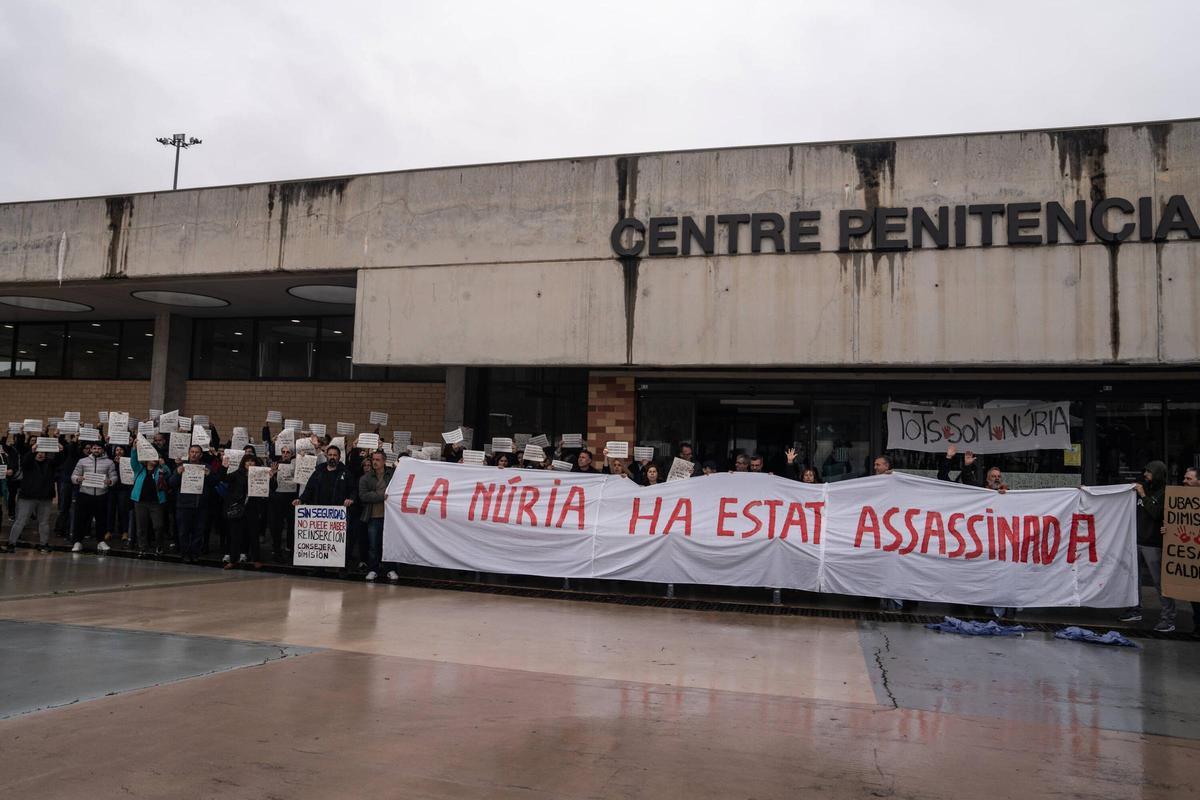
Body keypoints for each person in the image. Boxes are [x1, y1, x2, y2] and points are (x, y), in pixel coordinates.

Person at [1120, 461, 1174, 632]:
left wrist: (1143, 495)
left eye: (1149, 472)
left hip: (1153, 543)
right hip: (1137, 540)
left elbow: (1156, 513)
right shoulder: (1144, 488)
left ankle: (1168, 618)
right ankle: (1135, 609)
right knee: (1134, 579)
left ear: (1157, 473)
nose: (1145, 475)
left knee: (1160, 583)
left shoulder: (1165, 492)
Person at [4, 437, 62, 553]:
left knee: (44, 522)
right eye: (39, 452)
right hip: (28, 496)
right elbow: (25, 460)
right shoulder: (28, 463)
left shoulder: (50, 463)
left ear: (46, 454)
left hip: (45, 497)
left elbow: (60, 460)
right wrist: (32, 451)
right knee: (20, 520)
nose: (40, 454)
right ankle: (11, 543)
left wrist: (60, 451)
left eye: (43, 452)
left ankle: (44, 544)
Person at [70, 441, 118, 553]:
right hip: (85, 494)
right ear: (91, 450)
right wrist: (78, 479)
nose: (96, 450)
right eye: (94, 448)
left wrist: (110, 481)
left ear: (103, 450)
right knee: (81, 519)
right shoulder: (82, 461)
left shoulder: (109, 462)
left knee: (101, 519)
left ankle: (101, 541)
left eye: (99, 448)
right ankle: (77, 542)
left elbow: (114, 476)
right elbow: (74, 475)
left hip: (101, 495)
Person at [358, 450, 398, 582]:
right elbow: (363, 496)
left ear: (384, 461)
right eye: (373, 459)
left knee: (389, 545)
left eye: (378, 460)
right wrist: (381, 496)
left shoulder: (392, 475)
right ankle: (373, 570)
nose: (375, 462)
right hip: (373, 516)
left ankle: (390, 569)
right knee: (373, 545)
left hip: (390, 517)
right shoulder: (366, 478)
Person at [222, 452, 267, 568]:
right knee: (235, 536)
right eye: (248, 461)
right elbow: (224, 479)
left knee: (253, 535)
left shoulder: (260, 474)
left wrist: (271, 478)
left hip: (253, 509)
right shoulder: (237, 474)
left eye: (252, 461)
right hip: (238, 508)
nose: (250, 463)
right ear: (243, 463)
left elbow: (270, 488)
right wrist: (224, 468)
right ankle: (233, 560)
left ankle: (256, 559)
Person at [170, 445, 211, 564]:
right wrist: (178, 473)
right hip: (184, 505)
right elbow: (171, 483)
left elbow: (215, 482)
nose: (194, 454)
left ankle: (195, 553)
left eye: (197, 452)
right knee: (183, 532)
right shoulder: (182, 466)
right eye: (192, 452)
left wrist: (209, 475)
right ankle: (185, 554)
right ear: (188, 453)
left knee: (198, 532)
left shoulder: (206, 467)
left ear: (201, 455)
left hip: (201, 506)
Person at [130, 443, 171, 557]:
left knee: (158, 526)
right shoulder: (139, 469)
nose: (155, 459)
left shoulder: (160, 470)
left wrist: (164, 465)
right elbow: (133, 461)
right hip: (140, 502)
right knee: (141, 527)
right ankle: (142, 548)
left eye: (156, 456)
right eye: (152, 456)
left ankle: (159, 546)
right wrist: (134, 449)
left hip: (156, 503)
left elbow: (169, 474)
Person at [267, 445, 298, 560]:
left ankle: (290, 548)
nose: (285, 454)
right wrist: (272, 476)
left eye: (288, 452)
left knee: (291, 527)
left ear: (291, 454)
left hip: (291, 500)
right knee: (277, 527)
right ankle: (276, 549)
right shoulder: (276, 465)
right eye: (283, 452)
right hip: (277, 500)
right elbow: (271, 487)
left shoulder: (296, 465)